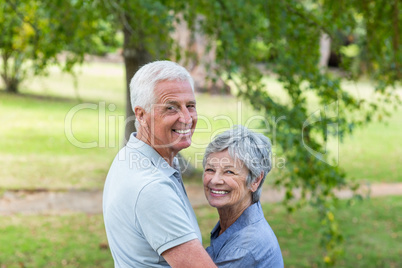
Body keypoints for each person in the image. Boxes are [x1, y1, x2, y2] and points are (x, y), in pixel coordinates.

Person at [103, 60, 216, 268]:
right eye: (171, 108)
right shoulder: (151, 188)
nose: (186, 118)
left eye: (190, 106)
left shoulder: (129, 157)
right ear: (141, 115)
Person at [203, 126, 284, 268]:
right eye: (210, 169)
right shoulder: (234, 225)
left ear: (255, 181)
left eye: (229, 172)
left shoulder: (246, 247)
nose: (215, 180)